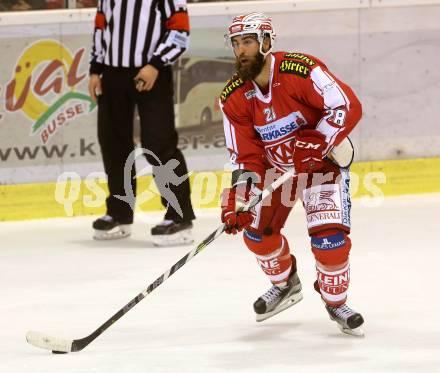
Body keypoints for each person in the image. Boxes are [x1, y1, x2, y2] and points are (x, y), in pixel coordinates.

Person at [219, 12, 364, 336]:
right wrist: (238, 198)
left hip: (318, 167)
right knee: (256, 236)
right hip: (275, 170)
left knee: (331, 242)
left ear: (267, 42)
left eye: (249, 41)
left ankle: (335, 302)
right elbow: (245, 156)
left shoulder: (301, 69)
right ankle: (285, 284)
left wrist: (318, 141)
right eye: (236, 43)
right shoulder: (232, 98)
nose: (242, 50)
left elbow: (346, 105)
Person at [88, 0, 195, 246]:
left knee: (159, 143)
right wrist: (96, 69)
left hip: (151, 74)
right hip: (112, 74)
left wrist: (156, 64)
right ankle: (119, 212)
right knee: (113, 142)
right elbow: (101, 27)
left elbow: (180, 31)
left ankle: (179, 216)